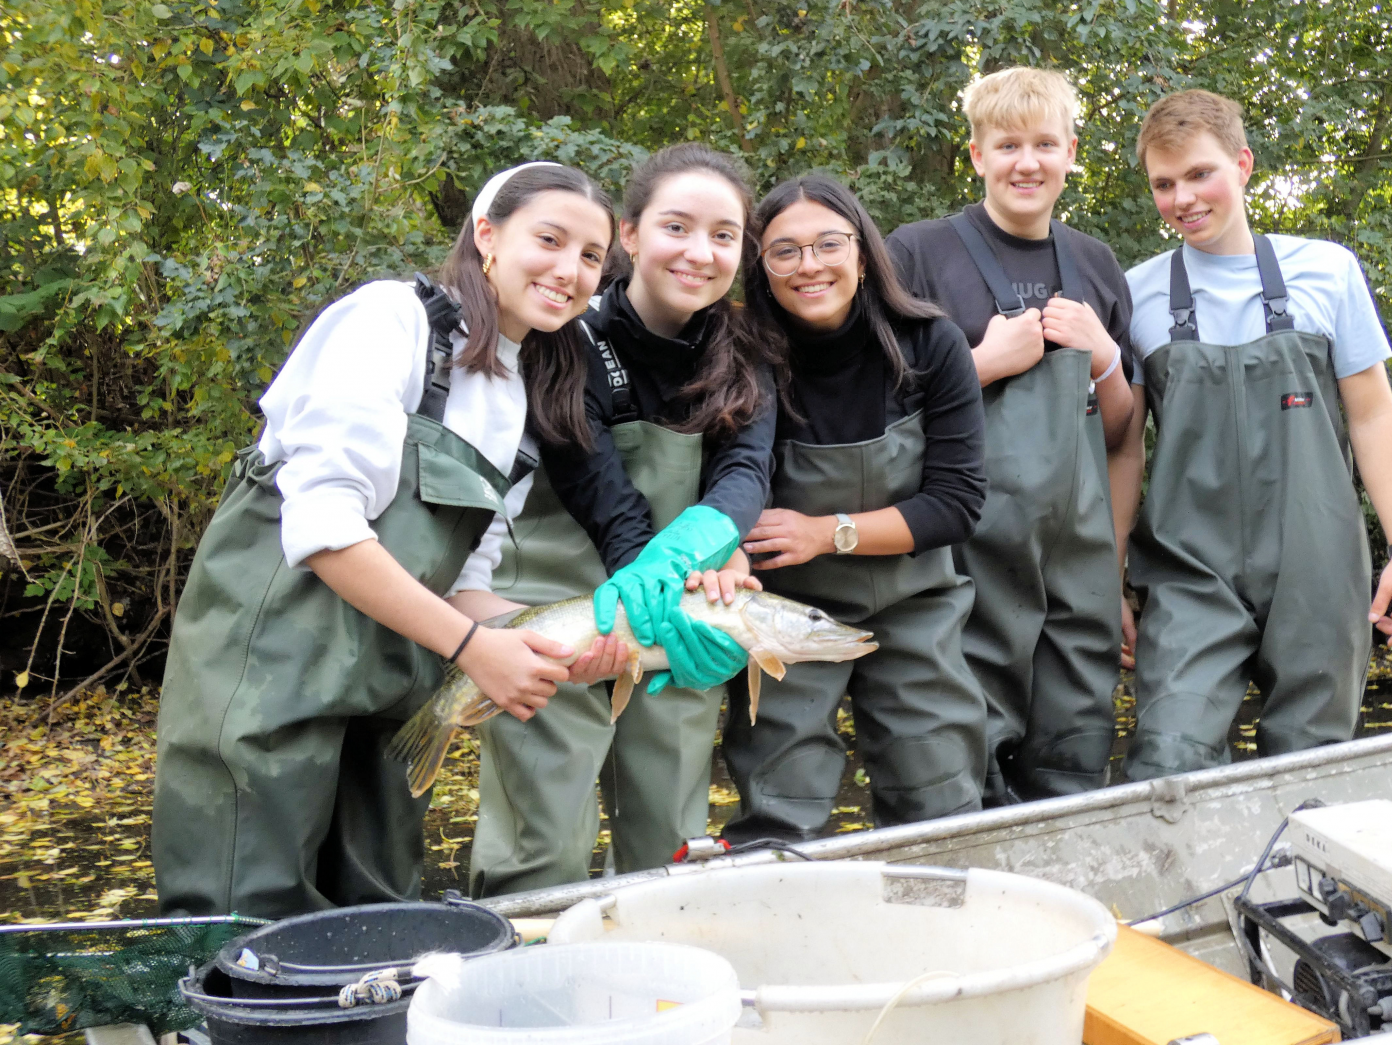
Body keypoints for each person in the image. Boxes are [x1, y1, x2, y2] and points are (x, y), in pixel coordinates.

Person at [153, 162, 628, 918]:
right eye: (550, 239)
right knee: (243, 918)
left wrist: (575, 642)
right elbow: (324, 530)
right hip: (267, 682)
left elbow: (464, 581)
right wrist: (474, 649)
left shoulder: (516, 396)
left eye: (592, 256)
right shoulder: (389, 320)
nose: (569, 270)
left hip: (390, 698)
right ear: (487, 235)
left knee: (377, 919)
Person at [470, 143, 777, 895]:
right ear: (630, 235)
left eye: (724, 235)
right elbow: (601, 488)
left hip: (675, 622)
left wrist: (707, 551)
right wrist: (650, 569)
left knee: (670, 846)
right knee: (541, 848)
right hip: (557, 614)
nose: (700, 252)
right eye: (677, 227)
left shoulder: (749, 353)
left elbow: (746, 474)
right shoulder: (565, 339)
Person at [1120, 88, 1392, 778]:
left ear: (1242, 164)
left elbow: (1374, 415)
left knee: (1312, 769)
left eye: (1200, 174)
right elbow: (1124, 447)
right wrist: (1107, 577)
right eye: (1164, 184)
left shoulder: (1327, 270)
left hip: (1317, 564)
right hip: (1188, 570)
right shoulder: (1133, 292)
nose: (1183, 199)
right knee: (1168, 758)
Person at [887, 67, 1138, 805]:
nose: (1025, 162)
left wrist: (1107, 358)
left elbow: (1123, 431)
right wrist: (980, 364)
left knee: (1075, 737)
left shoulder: (1095, 263)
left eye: (1043, 145)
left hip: (1078, 555)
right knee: (966, 744)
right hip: (963, 546)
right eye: (1006, 146)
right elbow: (877, 408)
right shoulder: (917, 253)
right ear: (976, 156)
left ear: (1070, 153)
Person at [717, 173, 988, 841]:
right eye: (785, 251)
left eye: (828, 244)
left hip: (914, 604)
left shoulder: (931, 344)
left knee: (938, 792)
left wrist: (825, 532)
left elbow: (955, 505)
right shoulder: (739, 354)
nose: (809, 265)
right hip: (781, 611)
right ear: (761, 266)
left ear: (863, 254)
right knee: (780, 798)